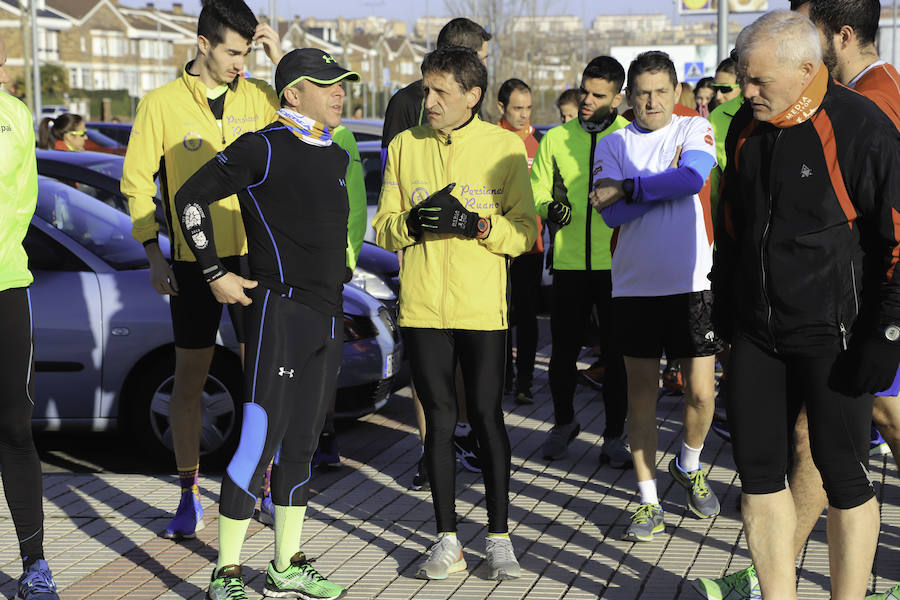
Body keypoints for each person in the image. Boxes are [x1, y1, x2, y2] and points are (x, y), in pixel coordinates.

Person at [697, 3, 900, 598]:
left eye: (759, 80)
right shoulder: (744, 127)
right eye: (742, 76)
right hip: (759, 335)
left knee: (845, 478)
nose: (745, 90)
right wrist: (724, 310)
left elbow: (896, 242)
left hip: (836, 337)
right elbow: (734, 226)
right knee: (759, 479)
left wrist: (885, 336)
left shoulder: (862, 127)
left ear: (807, 67)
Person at [174, 47, 359, 600]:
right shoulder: (262, 146)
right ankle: (226, 572)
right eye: (326, 85)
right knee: (258, 442)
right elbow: (188, 200)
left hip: (325, 319)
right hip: (278, 314)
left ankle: (286, 563)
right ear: (293, 94)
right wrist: (213, 273)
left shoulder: (335, 155)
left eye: (342, 83)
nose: (339, 93)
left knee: (301, 447)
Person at [373, 45, 537, 581]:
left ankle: (499, 538)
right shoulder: (404, 145)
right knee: (439, 422)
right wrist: (416, 222)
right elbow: (384, 227)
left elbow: (527, 233)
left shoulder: (503, 147)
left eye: (442, 91)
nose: (431, 99)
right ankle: (446, 540)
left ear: (473, 95)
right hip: (422, 308)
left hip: (481, 308)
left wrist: (481, 227)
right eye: (427, 88)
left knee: (487, 417)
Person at [121, 0, 283, 540]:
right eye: (233, 52)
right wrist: (152, 252)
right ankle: (188, 493)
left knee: (259, 377)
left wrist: (278, 53)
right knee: (188, 381)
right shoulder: (160, 104)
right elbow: (138, 183)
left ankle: (258, 484)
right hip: (193, 263)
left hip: (251, 258)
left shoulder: (260, 96)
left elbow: (304, 125)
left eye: (247, 51)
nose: (242, 62)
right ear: (203, 45)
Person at [589, 50, 721, 542]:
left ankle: (688, 465)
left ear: (677, 93)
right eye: (642, 92)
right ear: (629, 96)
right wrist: (652, 188)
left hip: (692, 284)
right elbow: (610, 216)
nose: (651, 101)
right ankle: (647, 501)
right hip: (634, 288)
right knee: (640, 400)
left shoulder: (693, 129)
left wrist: (628, 187)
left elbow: (693, 178)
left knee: (702, 394)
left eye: (661, 91)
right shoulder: (613, 141)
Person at [379, 17, 492, 491]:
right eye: (482, 60)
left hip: (472, 271)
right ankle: (433, 452)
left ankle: (459, 438)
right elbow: (394, 183)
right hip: (422, 261)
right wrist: (406, 242)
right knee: (431, 374)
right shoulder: (408, 104)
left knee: (464, 371)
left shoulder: (474, 111)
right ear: (463, 56)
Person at [530, 56, 630, 466]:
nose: (586, 99)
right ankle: (564, 423)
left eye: (597, 95)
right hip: (569, 263)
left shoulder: (629, 136)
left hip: (618, 265)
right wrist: (549, 209)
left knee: (618, 356)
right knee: (563, 354)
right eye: (584, 90)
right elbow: (537, 189)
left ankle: (613, 436)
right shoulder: (556, 138)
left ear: (618, 98)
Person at [0, 36, 62, 600]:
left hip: (6, 286)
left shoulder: (15, 115)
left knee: (16, 428)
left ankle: (34, 565)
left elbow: (23, 198)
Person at [497, 78, 544, 405]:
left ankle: (525, 381)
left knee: (527, 317)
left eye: (528, 108)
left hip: (531, 246)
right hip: (496, 245)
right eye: (517, 108)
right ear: (501, 108)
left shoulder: (539, 143)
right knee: (499, 316)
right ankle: (502, 379)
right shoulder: (490, 141)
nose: (524, 115)